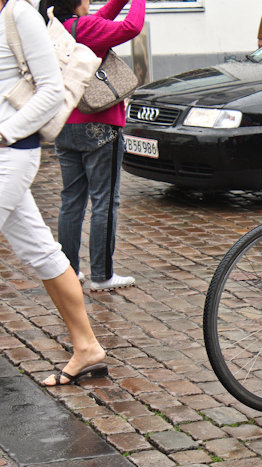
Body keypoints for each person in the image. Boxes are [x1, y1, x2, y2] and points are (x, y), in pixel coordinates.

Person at [0, 0, 106, 386]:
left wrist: (6, 132)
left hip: (11, 154)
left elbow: (51, 90)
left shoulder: (20, 14)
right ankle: (88, 347)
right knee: (41, 251)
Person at [39, 0, 145, 292]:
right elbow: (131, 27)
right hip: (100, 123)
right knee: (105, 200)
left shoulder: (58, 28)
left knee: (71, 200)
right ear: (75, 3)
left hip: (65, 123)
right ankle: (102, 274)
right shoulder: (86, 27)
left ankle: (70, 270)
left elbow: (103, 16)